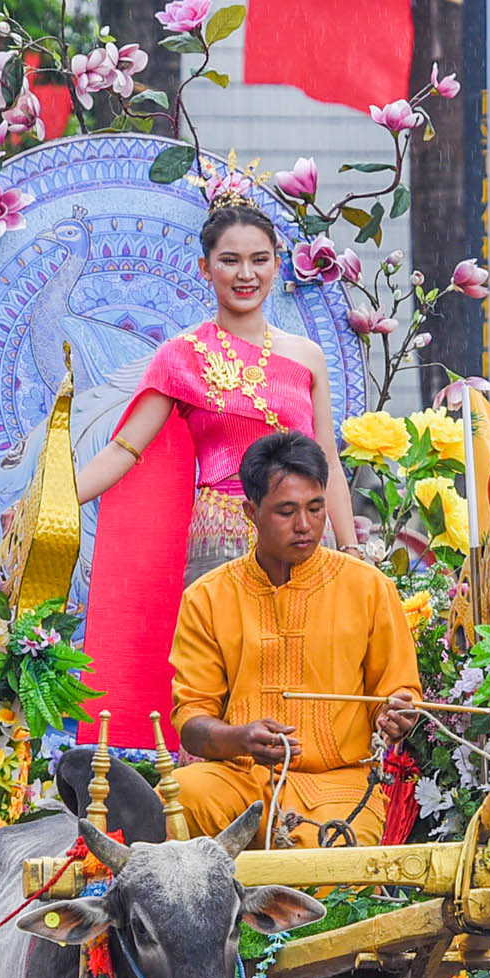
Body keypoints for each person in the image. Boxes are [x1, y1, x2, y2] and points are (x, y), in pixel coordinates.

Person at [72, 198, 359, 751]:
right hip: (221, 535)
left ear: (278, 264)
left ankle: (297, 803)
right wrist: (53, 500)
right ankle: (207, 806)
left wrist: (350, 549)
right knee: (222, 677)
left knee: (303, 674)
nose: (244, 274)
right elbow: (123, 451)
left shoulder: (307, 357)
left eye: (258, 259)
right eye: (229, 261)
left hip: (302, 537)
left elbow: (328, 462)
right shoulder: (180, 357)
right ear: (205, 268)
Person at [166, 433, 421, 843]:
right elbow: (191, 721)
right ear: (252, 511)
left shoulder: (369, 588)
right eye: (286, 511)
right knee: (179, 797)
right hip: (239, 778)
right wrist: (240, 738)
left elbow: (400, 690)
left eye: (315, 508)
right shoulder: (207, 598)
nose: (305, 526)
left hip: (341, 785)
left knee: (332, 850)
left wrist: (395, 717)